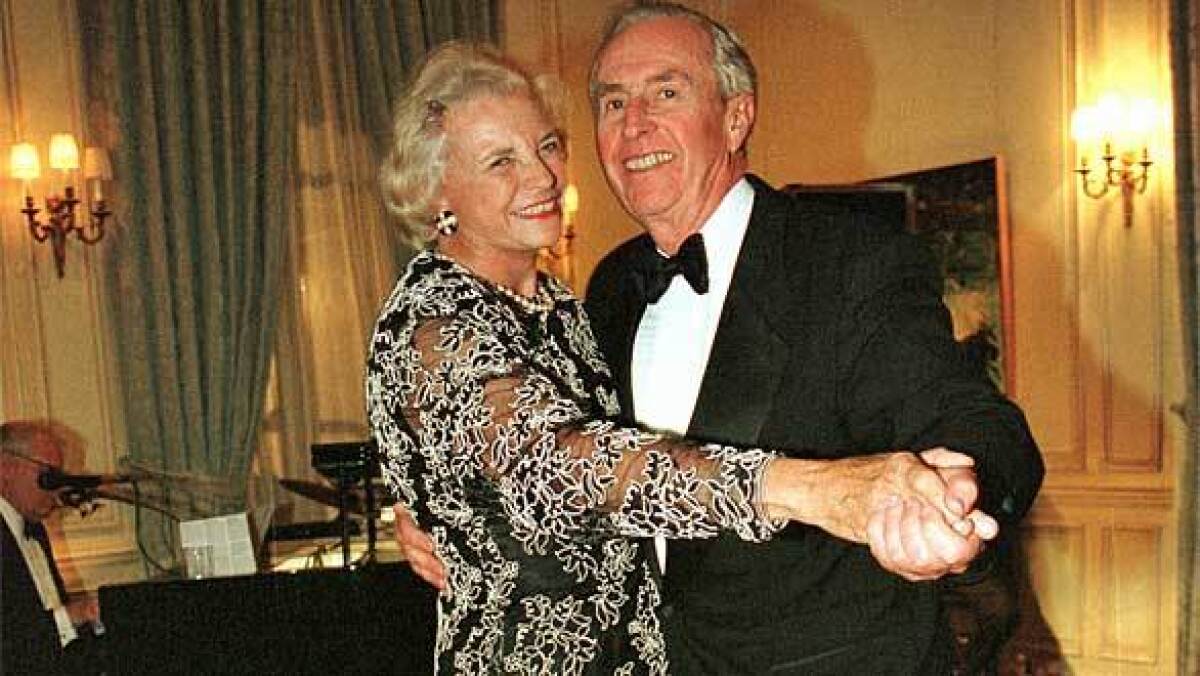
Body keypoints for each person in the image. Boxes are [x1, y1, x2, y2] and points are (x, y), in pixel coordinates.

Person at [395, 4, 1045, 674]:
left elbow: (976, 421)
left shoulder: (846, 260)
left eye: (666, 92)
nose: (633, 124)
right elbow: (563, 460)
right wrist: (441, 505)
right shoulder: (611, 287)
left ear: (736, 117)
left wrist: (955, 495)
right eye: (612, 102)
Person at [1, 420, 104, 675]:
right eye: (49, 475)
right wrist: (72, 615)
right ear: (5, 467)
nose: (58, 486)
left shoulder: (35, 530)